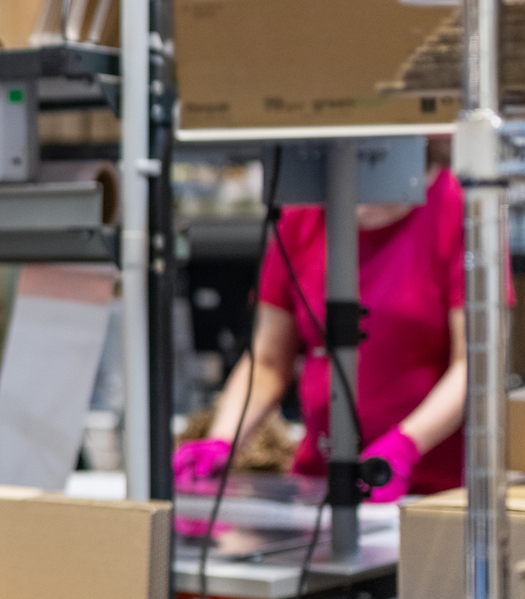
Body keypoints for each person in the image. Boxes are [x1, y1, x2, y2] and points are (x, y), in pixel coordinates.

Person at [176, 149, 472, 499]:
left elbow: (472, 365)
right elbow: (268, 362)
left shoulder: (457, 209)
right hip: (319, 481)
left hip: (428, 489)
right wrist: (221, 441)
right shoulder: (303, 214)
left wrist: (404, 446)